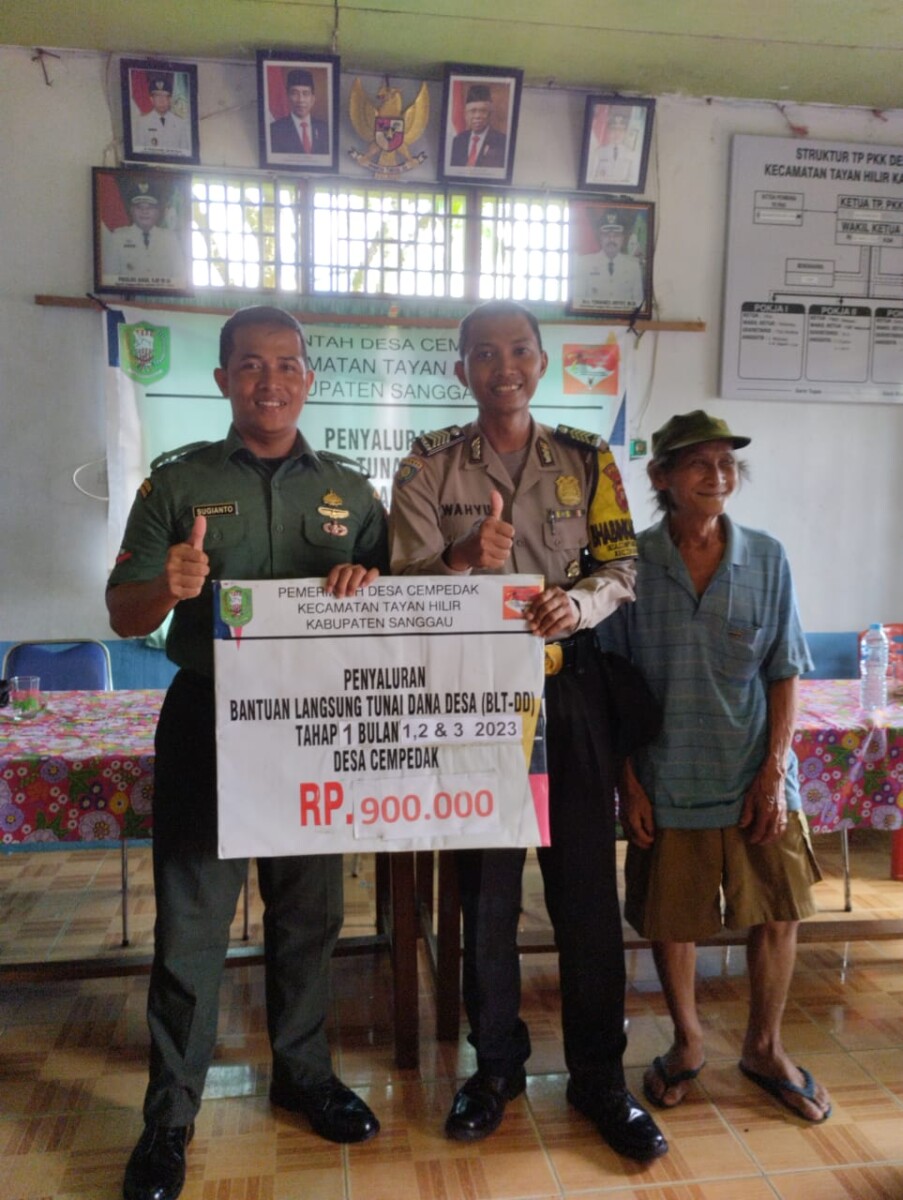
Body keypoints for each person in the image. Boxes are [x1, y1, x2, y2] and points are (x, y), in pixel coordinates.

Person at [108, 306, 388, 1200]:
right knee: (191, 926)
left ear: (308, 378)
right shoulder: (177, 484)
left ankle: (303, 1075)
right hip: (208, 716)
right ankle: (170, 1118)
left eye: (286, 365)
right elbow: (123, 612)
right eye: (250, 366)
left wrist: (368, 584)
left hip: (316, 724)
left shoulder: (351, 493)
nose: (270, 382)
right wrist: (168, 586)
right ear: (223, 379)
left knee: (308, 915)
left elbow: (395, 616)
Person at [389, 300, 667, 1161]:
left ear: (541, 363)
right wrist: (461, 559)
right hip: (473, 697)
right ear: (461, 369)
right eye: (483, 353)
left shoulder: (588, 461)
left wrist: (576, 606)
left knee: (584, 896)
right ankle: (495, 1070)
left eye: (517, 351)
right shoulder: (427, 464)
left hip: (570, 692)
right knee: (484, 896)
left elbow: (621, 566)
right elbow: (400, 588)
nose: (501, 367)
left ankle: (599, 1077)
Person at [597, 410, 832, 1124]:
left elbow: (785, 670)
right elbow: (611, 684)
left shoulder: (767, 557)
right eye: (698, 463)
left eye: (726, 463)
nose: (717, 475)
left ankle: (764, 1047)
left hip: (756, 772)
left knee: (779, 913)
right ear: (662, 477)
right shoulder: (629, 565)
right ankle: (688, 1044)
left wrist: (774, 773)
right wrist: (629, 784)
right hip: (666, 775)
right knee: (672, 919)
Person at [104, 185, 187, 289]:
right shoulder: (117, 238)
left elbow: (180, 278)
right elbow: (110, 279)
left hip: (162, 297)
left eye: (150, 207)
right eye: (139, 207)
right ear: (131, 210)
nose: (145, 211)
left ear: (158, 211)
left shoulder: (170, 239)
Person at [572, 211, 645, 311]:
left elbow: (639, 304)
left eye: (616, 235)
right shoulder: (584, 264)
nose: (611, 239)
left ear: (623, 238)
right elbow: (578, 302)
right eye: (606, 235)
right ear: (600, 238)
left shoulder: (633, 266)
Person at [269, 68, 329, 154]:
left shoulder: (325, 129)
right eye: (295, 93)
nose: (301, 100)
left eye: (305, 93)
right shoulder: (274, 130)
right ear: (287, 98)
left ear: (312, 99)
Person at [132, 71, 191, 156]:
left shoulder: (180, 123)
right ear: (151, 99)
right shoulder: (143, 123)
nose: (161, 100)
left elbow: (185, 154)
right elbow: (138, 153)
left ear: (170, 99)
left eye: (165, 96)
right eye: (157, 96)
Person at [449, 83, 507, 168]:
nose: (477, 116)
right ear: (466, 114)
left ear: (490, 114)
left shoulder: (502, 141)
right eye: (472, 111)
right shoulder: (458, 140)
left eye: (483, 111)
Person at [590, 107, 641, 187]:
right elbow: (591, 178)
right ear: (608, 131)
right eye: (613, 129)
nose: (617, 133)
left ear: (625, 133)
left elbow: (633, 181)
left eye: (621, 130)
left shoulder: (632, 154)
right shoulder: (598, 152)